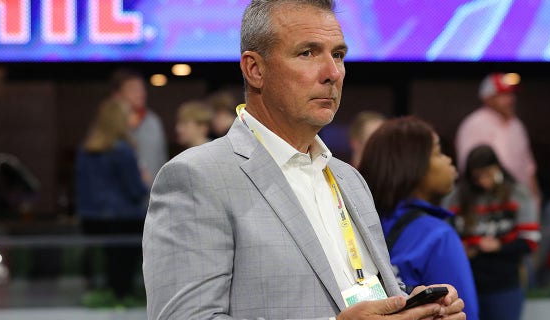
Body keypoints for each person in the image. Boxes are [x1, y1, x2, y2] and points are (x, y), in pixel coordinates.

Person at [142, 1, 465, 320]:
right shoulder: (197, 178)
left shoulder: (349, 179)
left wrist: (416, 310)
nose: (332, 73)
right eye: (308, 53)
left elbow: (366, 290)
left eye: (338, 55)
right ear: (255, 69)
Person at [359, 116, 479, 320]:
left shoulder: (357, 224)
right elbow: (465, 315)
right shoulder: (438, 236)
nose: (449, 160)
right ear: (412, 165)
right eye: (439, 152)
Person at [443, 145, 540, 320]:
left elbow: (530, 241)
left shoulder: (518, 194)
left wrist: (498, 246)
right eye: (477, 176)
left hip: (505, 282)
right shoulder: (456, 198)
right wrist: (461, 249)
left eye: (488, 174)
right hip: (466, 281)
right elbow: (443, 239)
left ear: (498, 168)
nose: (483, 181)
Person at [76, 98, 148, 299]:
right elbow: (135, 189)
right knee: (123, 264)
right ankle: (122, 297)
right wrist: (144, 180)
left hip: (91, 218)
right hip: (123, 219)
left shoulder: (85, 149)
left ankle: (103, 294)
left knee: (104, 262)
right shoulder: (123, 150)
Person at [455, 73, 540, 208]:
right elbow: (470, 167)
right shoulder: (474, 124)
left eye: (511, 95)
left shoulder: (517, 125)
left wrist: (535, 198)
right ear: (488, 98)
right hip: (487, 201)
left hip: (518, 197)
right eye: (503, 95)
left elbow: (528, 167)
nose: (510, 100)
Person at [110, 68, 168, 185]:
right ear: (117, 95)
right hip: (121, 198)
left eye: (141, 88)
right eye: (133, 89)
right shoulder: (108, 124)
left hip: (153, 196)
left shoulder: (153, 121)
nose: (140, 93)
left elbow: (162, 159)